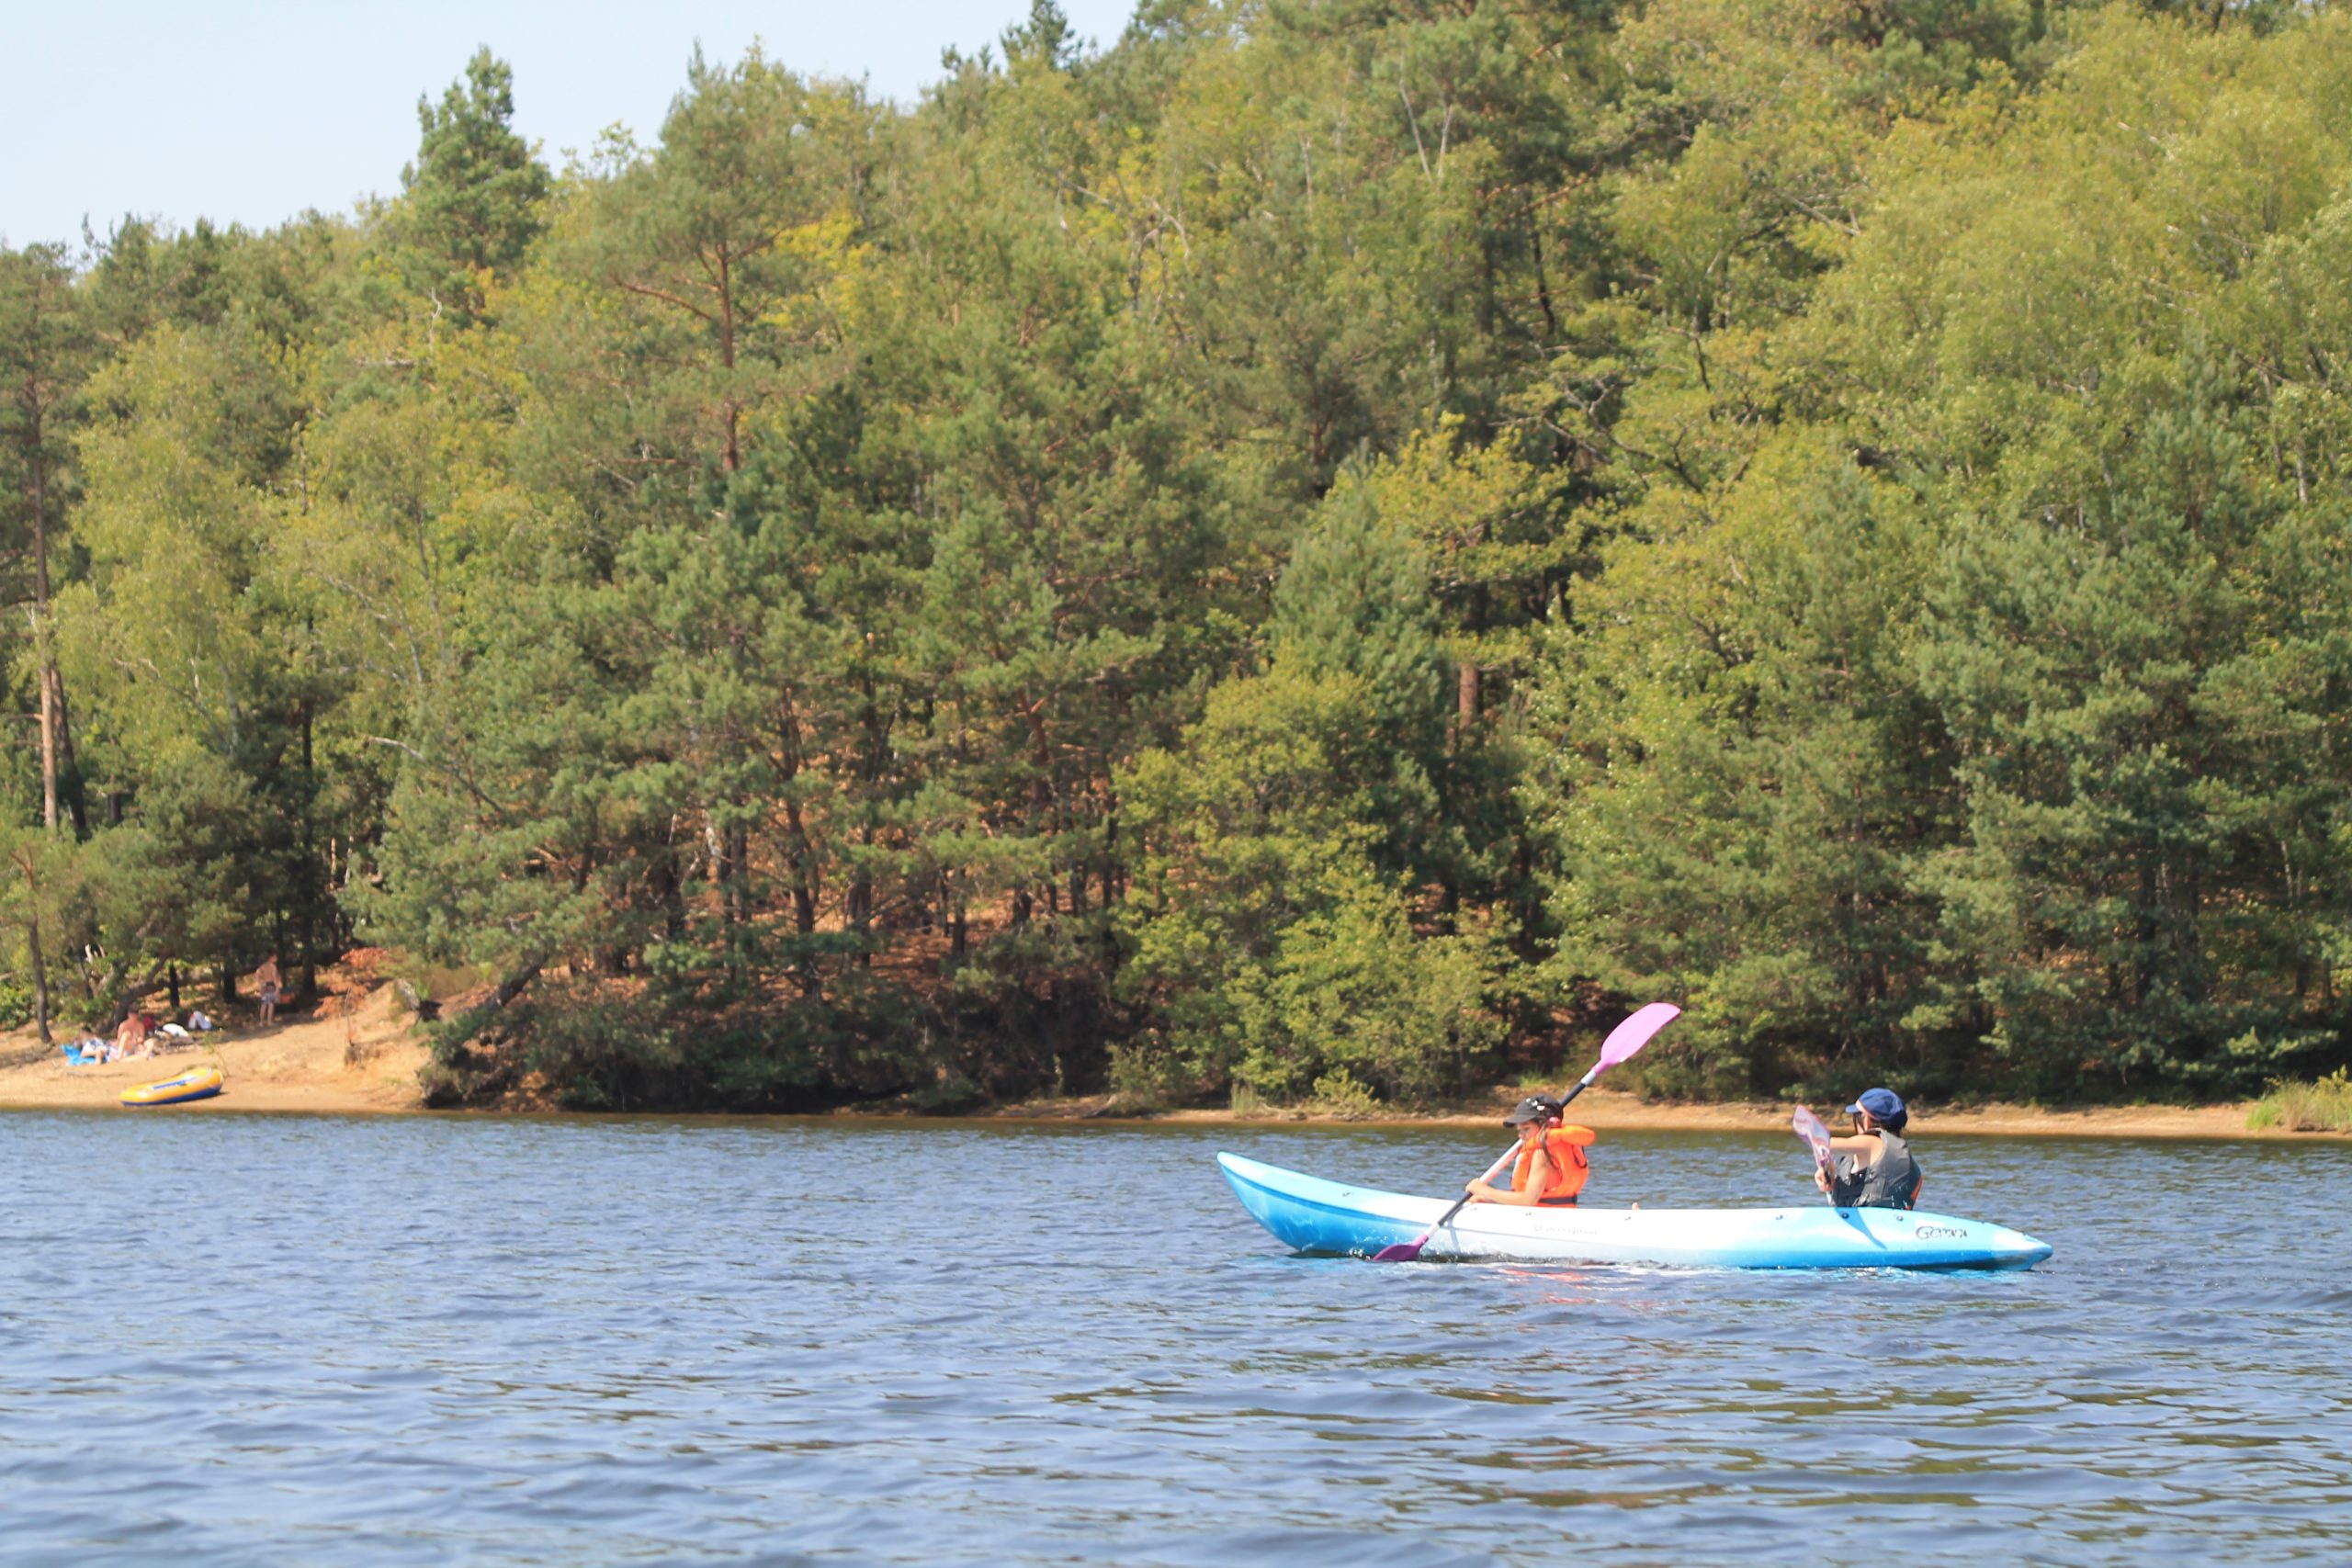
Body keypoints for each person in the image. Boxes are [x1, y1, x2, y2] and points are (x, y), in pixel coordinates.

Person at [1466, 1095, 1598, 1208]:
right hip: (1556, 1213)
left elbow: (1528, 1201)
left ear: (1545, 1125)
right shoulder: (1564, 1144)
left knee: (1480, 1196)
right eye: (1519, 1130)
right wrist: (1489, 1199)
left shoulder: (1541, 1154)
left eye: (1526, 1129)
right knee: (1479, 1200)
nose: (1521, 1135)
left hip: (1540, 1220)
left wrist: (1483, 1190)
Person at [1817, 1087, 1923, 1209]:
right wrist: (1826, 1171)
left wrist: (1827, 1160)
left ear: (1865, 1120)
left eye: (1856, 1117)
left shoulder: (1873, 1142)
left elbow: (1822, 1144)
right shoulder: (1904, 1159)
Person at [255, 953, 281, 1026]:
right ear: (271, 958)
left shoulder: (262, 967)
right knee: (271, 1004)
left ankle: (261, 1022)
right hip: (271, 986)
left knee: (263, 1004)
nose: (276, 958)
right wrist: (277, 988)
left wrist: (260, 983)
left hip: (264, 985)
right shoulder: (273, 967)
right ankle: (269, 1022)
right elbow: (274, 978)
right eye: (275, 957)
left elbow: (257, 975)